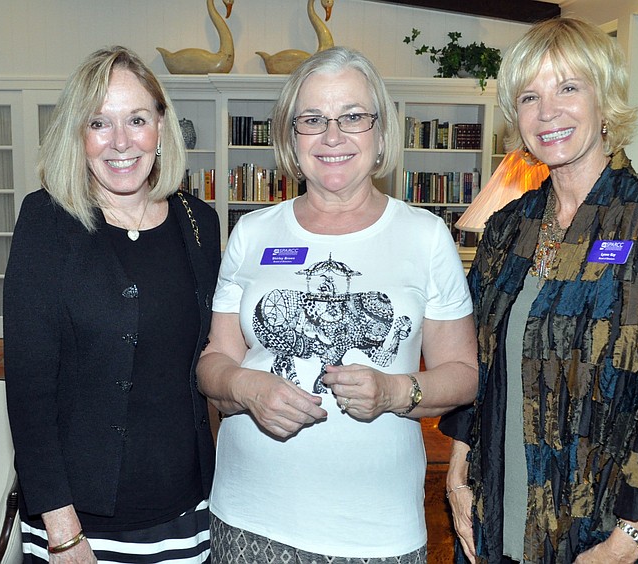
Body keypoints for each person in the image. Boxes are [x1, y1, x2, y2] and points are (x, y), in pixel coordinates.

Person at [439, 18, 638, 564]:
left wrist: (627, 540)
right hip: (498, 517)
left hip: (604, 535)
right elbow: (475, 361)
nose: (547, 112)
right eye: (530, 95)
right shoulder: (508, 228)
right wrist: (457, 474)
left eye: (568, 87)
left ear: (605, 100)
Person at [196, 46, 478, 563]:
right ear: (291, 134)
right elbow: (214, 361)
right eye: (313, 119)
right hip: (247, 518)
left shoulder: (425, 235)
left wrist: (395, 391)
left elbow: (462, 373)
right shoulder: (253, 232)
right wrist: (245, 386)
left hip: (375, 532)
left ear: (380, 132)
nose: (332, 136)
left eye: (352, 116)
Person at [3, 46, 221, 563]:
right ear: (78, 135)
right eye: (99, 122)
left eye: (137, 119)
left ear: (161, 128)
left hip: (186, 507)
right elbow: (29, 392)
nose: (121, 142)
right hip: (80, 524)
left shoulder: (200, 223)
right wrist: (63, 530)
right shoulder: (46, 222)